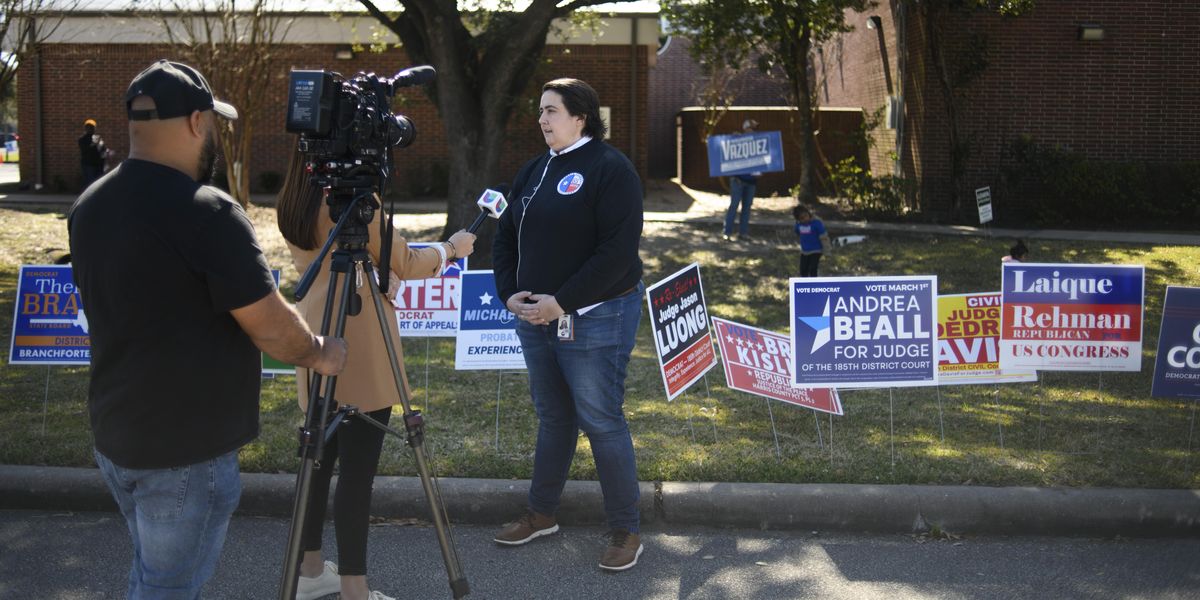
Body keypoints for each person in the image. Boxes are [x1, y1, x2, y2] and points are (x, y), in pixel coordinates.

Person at [67, 59, 348, 599]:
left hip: (117, 436)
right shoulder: (207, 211)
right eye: (213, 124)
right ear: (197, 122)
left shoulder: (89, 205)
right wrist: (319, 351)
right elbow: (268, 326)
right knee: (169, 587)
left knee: (153, 575)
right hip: (185, 454)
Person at [277, 150, 476, 600]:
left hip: (314, 330)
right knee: (357, 472)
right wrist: (451, 249)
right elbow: (403, 260)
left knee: (317, 462)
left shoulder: (293, 197)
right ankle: (354, 590)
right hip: (361, 340)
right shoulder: (351, 201)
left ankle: (310, 571)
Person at [492, 78, 646, 572]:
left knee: (601, 420)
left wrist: (564, 303)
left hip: (597, 317)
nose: (542, 119)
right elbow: (506, 234)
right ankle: (542, 513)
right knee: (554, 417)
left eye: (551, 110)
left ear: (581, 116)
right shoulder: (535, 169)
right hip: (535, 317)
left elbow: (616, 255)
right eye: (540, 110)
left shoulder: (610, 169)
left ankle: (625, 530)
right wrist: (508, 290)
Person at [722, 118, 761, 241]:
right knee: (734, 206)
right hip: (738, 181)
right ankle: (727, 233)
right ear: (745, 129)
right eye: (751, 128)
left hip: (751, 182)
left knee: (747, 208)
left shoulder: (758, 144)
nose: (753, 131)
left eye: (755, 129)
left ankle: (743, 233)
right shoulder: (737, 141)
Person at [793, 204, 831, 277]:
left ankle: (814, 284)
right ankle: (804, 285)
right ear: (798, 219)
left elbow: (824, 238)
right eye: (802, 218)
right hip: (805, 251)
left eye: (806, 215)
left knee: (812, 269)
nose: (805, 219)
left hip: (816, 250)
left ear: (809, 213)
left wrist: (827, 251)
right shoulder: (799, 225)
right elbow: (797, 232)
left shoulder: (816, 223)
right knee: (803, 269)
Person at [78, 118, 109, 190]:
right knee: (90, 183)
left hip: (99, 164)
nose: (90, 129)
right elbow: (84, 149)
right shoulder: (82, 139)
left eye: (92, 127)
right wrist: (93, 144)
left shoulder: (97, 137)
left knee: (99, 183)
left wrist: (107, 153)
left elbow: (103, 149)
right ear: (85, 128)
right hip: (88, 164)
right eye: (88, 127)